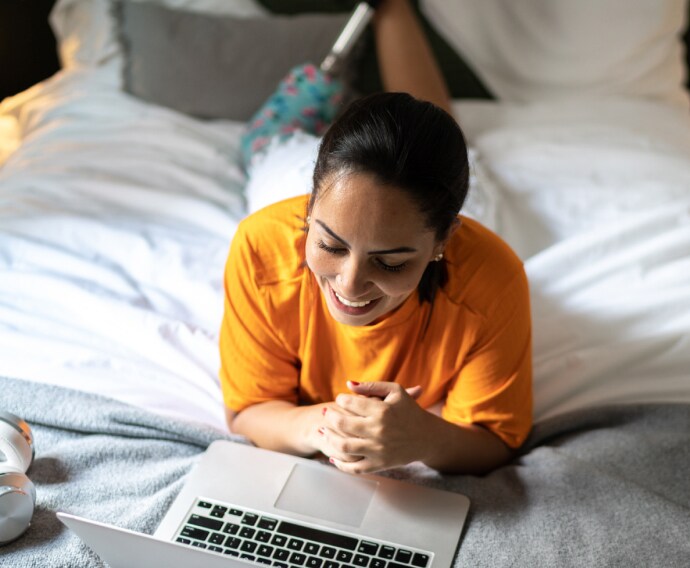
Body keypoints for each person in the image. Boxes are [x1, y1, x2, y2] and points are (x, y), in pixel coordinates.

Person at [220, 0, 532, 475]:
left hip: (443, 206)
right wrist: (334, 425)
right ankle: (325, 83)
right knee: (273, 131)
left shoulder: (493, 278)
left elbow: (494, 440)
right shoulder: (262, 246)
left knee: (438, 129)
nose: (348, 285)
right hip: (291, 160)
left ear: (441, 243)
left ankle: (392, 8)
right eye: (330, 246)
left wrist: (424, 438)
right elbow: (249, 412)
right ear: (308, 213)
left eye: (390, 263)